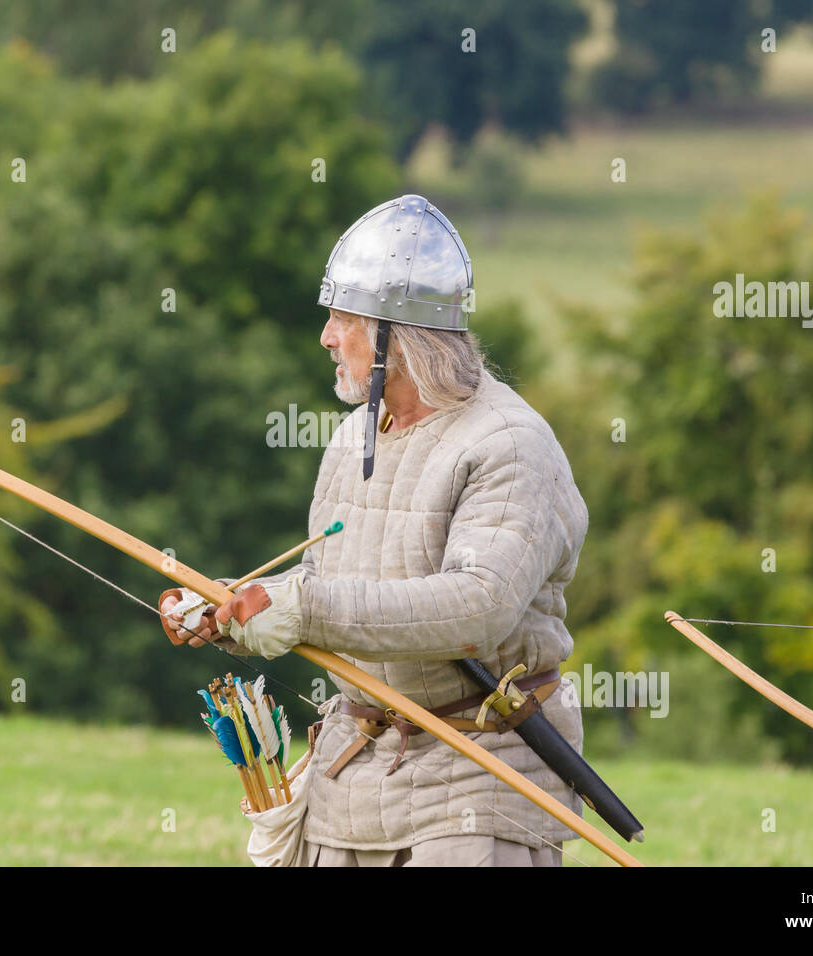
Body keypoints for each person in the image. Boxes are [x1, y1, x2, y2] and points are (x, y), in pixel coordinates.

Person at [161, 194, 589, 866]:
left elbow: (479, 605)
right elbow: (335, 591)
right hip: (352, 780)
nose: (327, 337)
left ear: (398, 333)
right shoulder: (351, 437)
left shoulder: (509, 443)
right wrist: (237, 609)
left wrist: (301, 607)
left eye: (343, 319)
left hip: (476, 787)